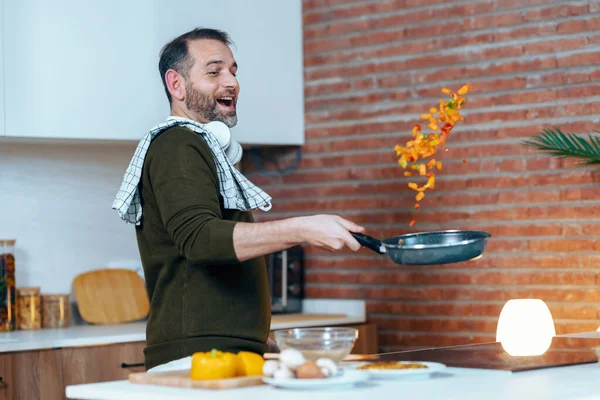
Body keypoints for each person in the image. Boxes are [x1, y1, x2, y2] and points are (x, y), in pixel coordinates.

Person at [112, 27, 365, 373]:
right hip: (197, 359)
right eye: (214, 71)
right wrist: (304, 228)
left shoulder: (203, 150)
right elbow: (200, 239)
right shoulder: (177, 144)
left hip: (224, 353)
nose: (231, 82)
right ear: (177, 85)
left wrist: (254, 340)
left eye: (233, 70)